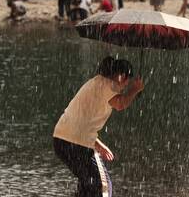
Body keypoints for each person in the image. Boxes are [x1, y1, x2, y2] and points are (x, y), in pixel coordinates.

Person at [53, 56, 144, 197]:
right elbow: (120, 104)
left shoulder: (95, 82)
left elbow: (81, 123)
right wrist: (135, 89)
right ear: (121, 76)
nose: (125, 86)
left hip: (61, 140)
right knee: (102, 186)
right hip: (76, 143)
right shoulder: (108, 85)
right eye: (127, 82)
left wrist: (98, 144)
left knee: (88, 185)